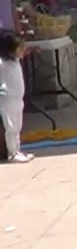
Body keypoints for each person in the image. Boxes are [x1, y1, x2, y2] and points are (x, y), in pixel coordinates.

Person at [0, 29, 31, 164]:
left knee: (17, 126)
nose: (22, 50)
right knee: (11, 127)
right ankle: (12, 153)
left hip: (18, 98)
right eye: (19, 48)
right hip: (7, 99)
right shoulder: (2, 64)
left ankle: (17, 150)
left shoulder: (16, 61)